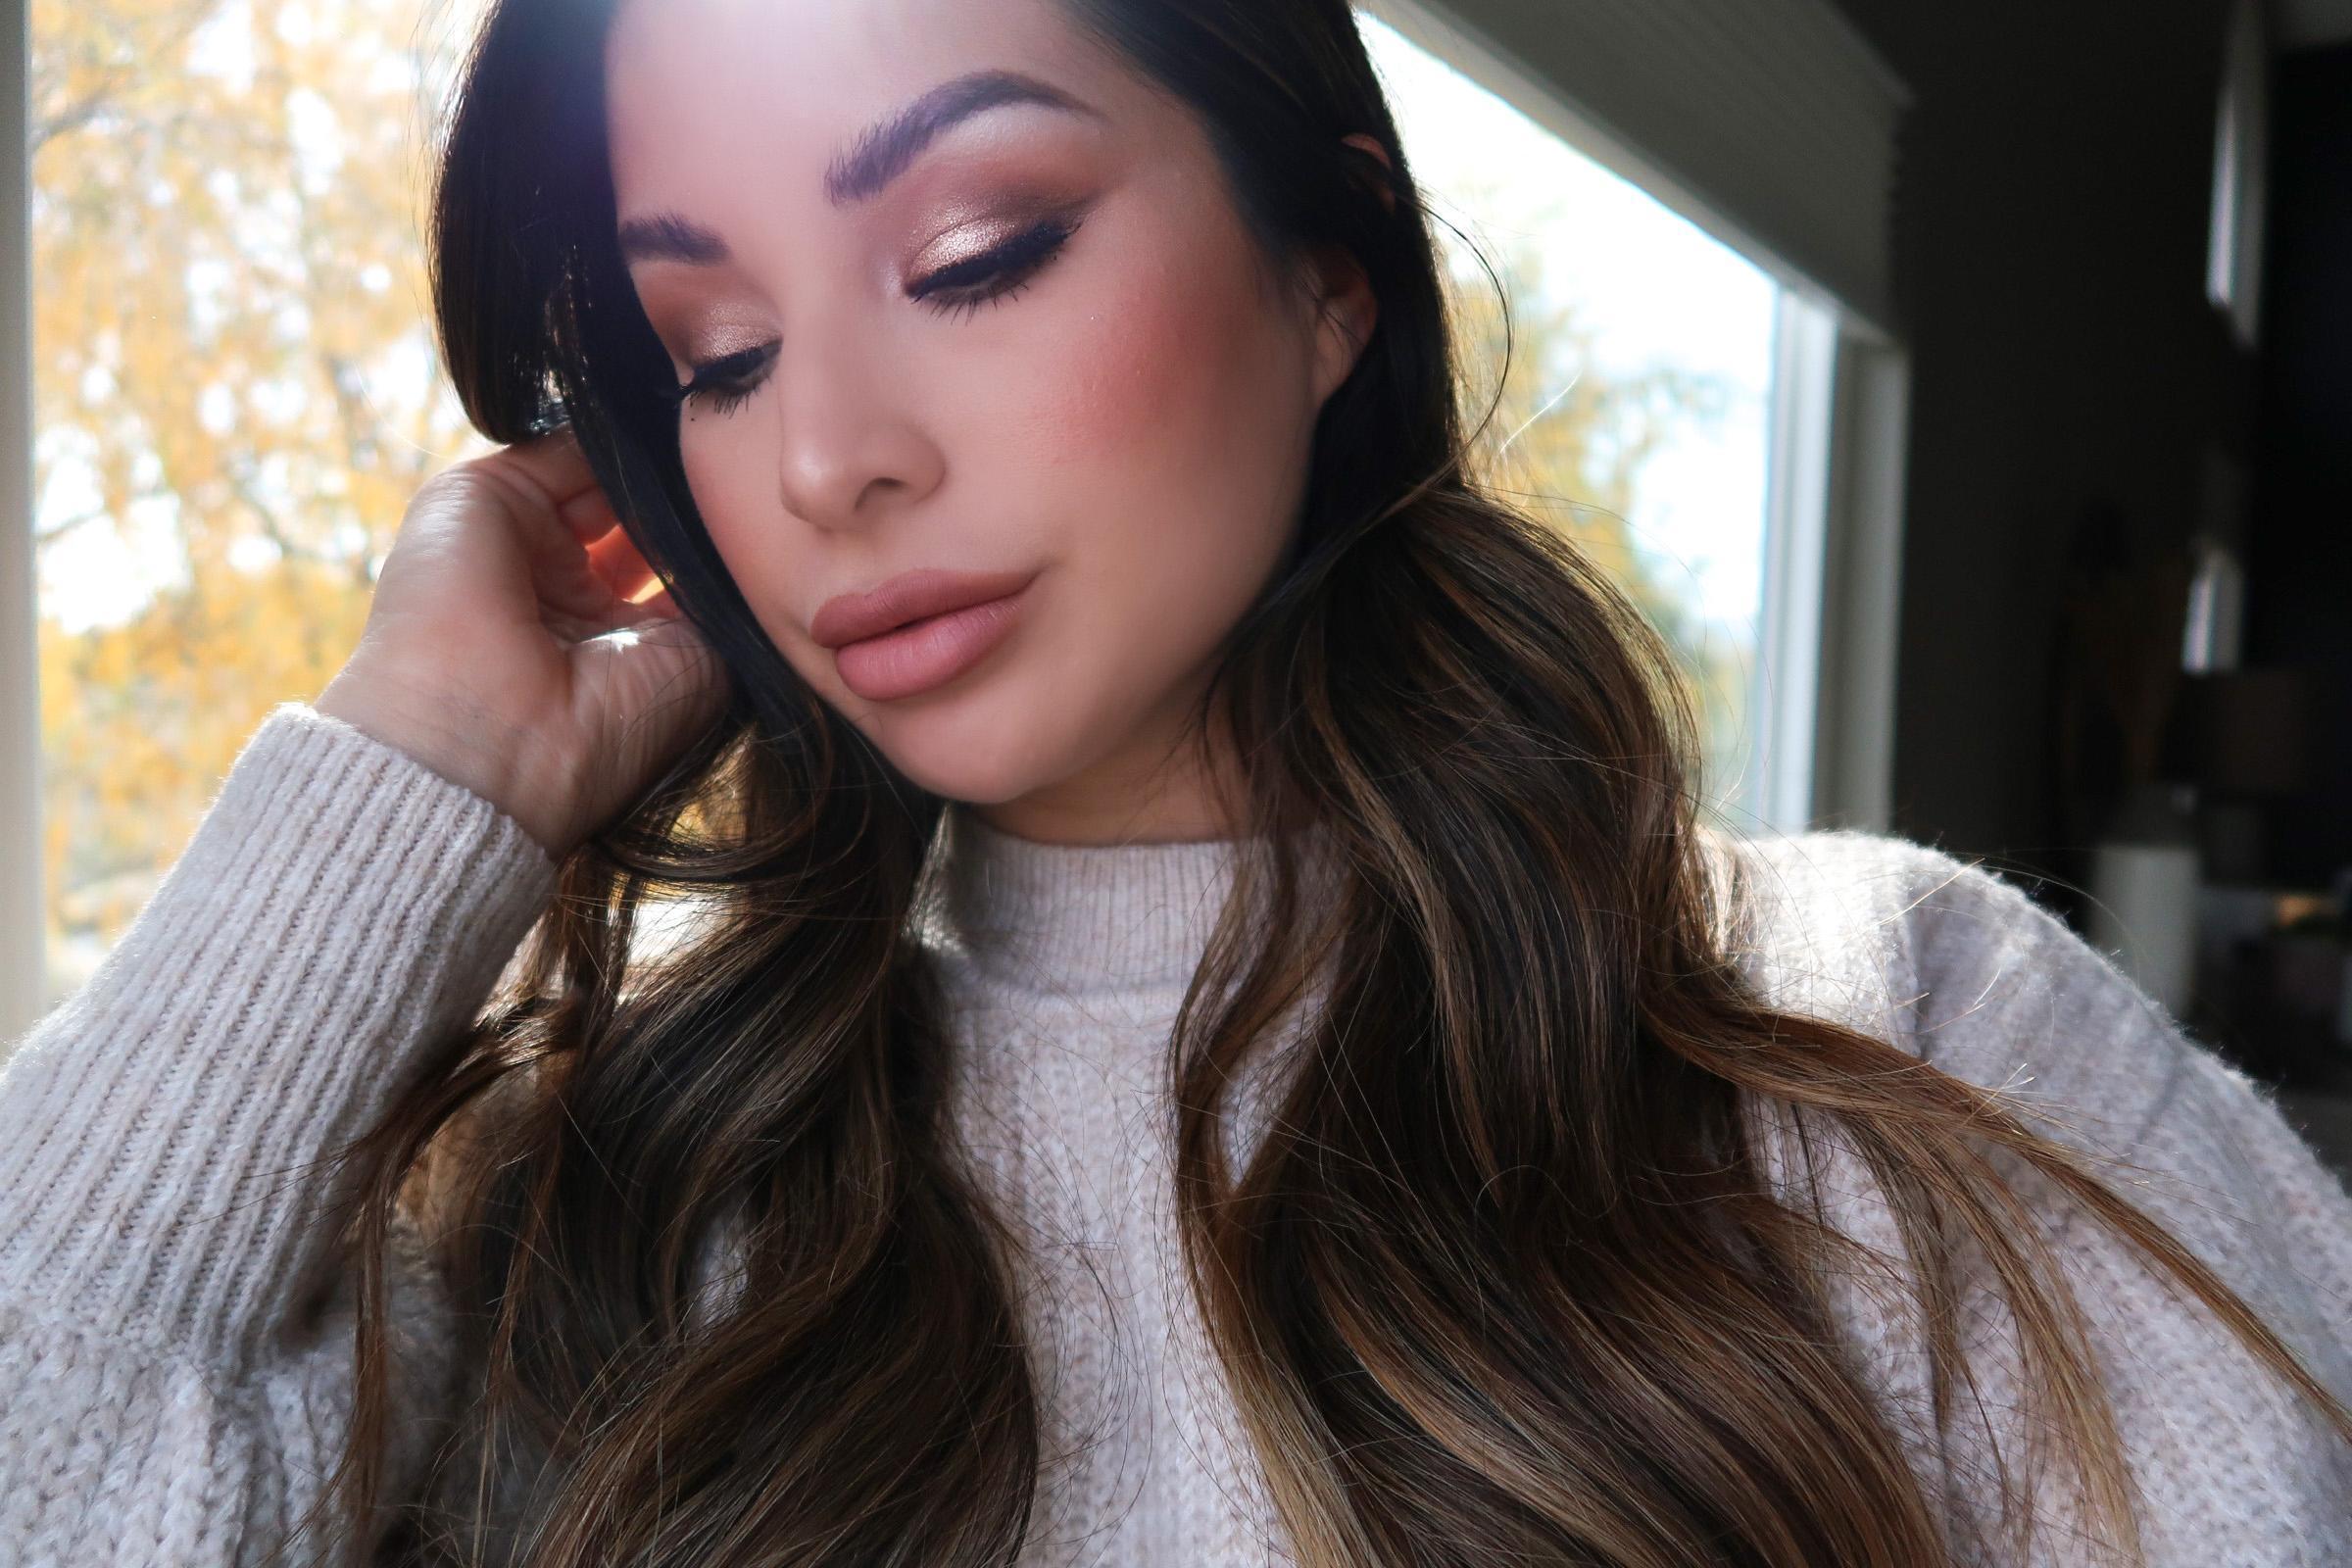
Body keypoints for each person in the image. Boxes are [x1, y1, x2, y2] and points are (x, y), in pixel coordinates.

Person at [3, 0, 2349, 1562]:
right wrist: (419, 770)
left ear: (1331, 274)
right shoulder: (612, 1181)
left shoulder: (1890, 1022)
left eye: (978, 249)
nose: (823, 457)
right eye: (713, 350)